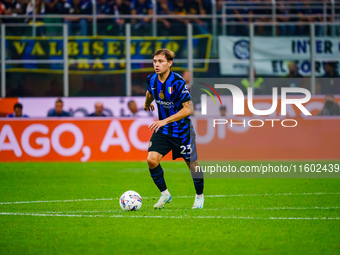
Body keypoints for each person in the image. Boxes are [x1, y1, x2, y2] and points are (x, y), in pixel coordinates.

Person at [143, 49, 204, 209]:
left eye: (161, 61)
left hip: (182, 131)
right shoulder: (151, 79)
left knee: (193, 165)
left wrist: (164, 121)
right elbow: (150, 92)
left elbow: (188, 109)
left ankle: (199, 196)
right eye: (155, 61)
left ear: (169, 63)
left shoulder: (178, 82)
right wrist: (147, 103)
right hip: (163, 131)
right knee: (151, 160)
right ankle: (165, 194)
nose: (156, 64)